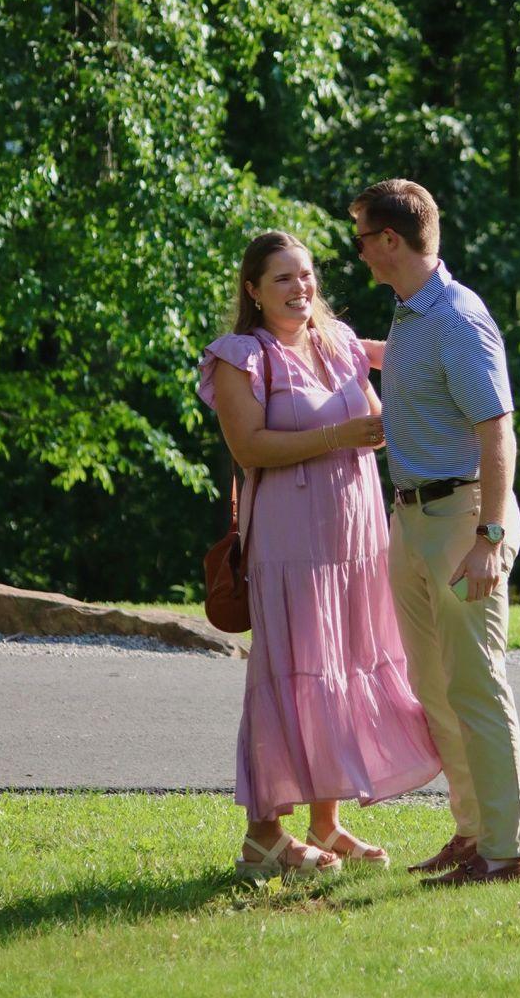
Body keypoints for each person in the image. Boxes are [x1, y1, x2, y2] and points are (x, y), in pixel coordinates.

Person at [198, 230, 441, 880]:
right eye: (282, 277)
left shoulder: (339, 344)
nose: (299, 287)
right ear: (253, 290)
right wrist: (340, 434)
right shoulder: (242, 356)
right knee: (292, 670)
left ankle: (325, 824)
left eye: (306, 274)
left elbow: (388, 401)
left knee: (341, 666)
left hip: (356, 538)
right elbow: (249, 447)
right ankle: (262, 838)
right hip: (291, 543)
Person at [349, 179, 520, 885]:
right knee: (434, 684)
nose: (358, 252)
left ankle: (506, 853)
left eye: (363, 238)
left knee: (476, 684)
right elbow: (417, 373)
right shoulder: (410, 313)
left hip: (463, 519)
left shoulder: (457, 317)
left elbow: (498, 431)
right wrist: (348, 349)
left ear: (391, 240)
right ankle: (473, 832)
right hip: (412, 519)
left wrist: (490, 537)